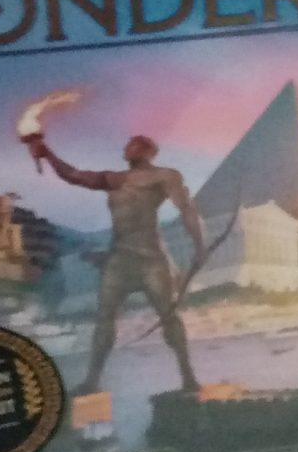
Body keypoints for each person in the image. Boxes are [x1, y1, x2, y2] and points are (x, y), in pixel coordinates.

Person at [27, 131, 206, 397]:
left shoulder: (164, 176)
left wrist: (200, 245)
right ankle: (92, 382)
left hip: (151, 259)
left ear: (146, 151)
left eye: (132, 145)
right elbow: (73, 175)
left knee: (169, 316)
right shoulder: (114, 179)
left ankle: (188, 377)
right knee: (104, 319)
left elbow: (187, 209)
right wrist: (46, 152)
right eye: (127, 145)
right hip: (119, 259)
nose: (126, 148)